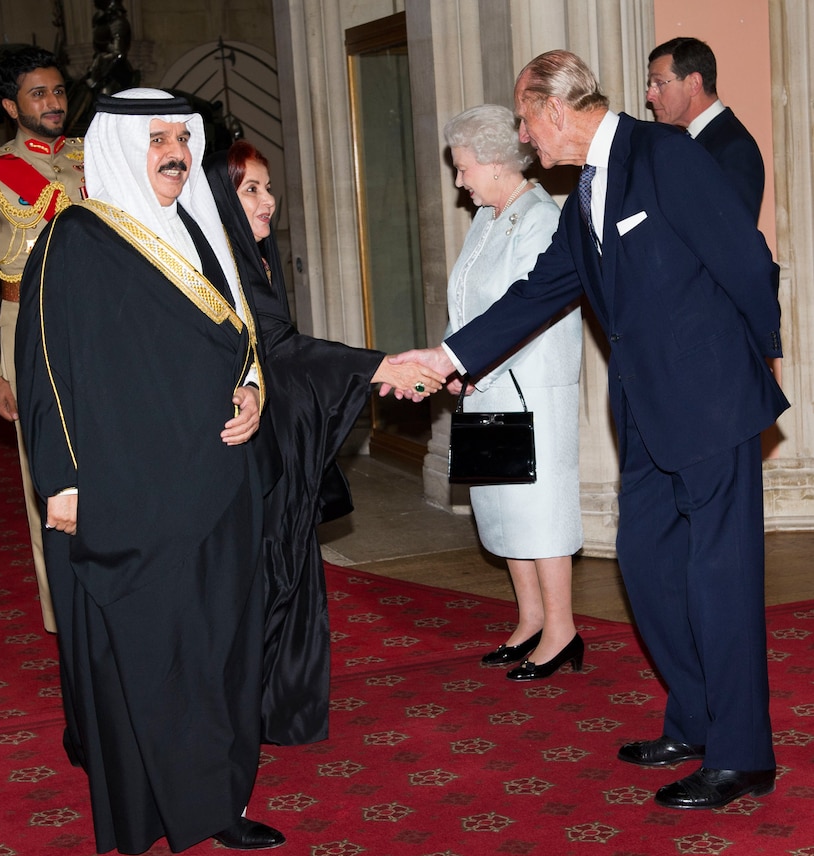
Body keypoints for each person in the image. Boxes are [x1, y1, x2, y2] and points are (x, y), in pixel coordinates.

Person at [391, 50, 788, 811]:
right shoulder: (584, 196)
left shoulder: (665, 155)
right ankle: (696, 720)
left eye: (522, 117)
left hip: (710, 404)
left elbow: (746, 258)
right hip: (643, 414)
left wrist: (760, 362)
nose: (521, 134)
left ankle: (742, 756)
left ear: (555, 108)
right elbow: (540, 290)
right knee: (644, 564)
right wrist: (444, 357)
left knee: (720, 581)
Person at [15, 88, 286, 854]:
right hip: (130, 496)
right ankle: (176, 807)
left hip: (219, 486)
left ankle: (220, 797)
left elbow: (244, 340)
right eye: (157, 137)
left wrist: (254, 395)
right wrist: (62, 482)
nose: (176, 151)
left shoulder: (200, 229)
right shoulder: (75, 240)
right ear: (115, 146)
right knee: (158, 652)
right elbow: (43, 369)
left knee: (221, 648)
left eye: (183, 136)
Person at [205, 140, 444, 745]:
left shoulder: (253, 259)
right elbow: (278, 349)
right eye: (251, 190)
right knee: (268, 570)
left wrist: (375, 367)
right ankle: (254, 709)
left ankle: (274, 706)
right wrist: (380, 367)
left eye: (268, 187)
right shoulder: (219, 264)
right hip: (243, 447)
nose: (269, 201)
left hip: (271, 436)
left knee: (284, 563)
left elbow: (281, 347)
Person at [441, 105, 584, 680]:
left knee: (540, 512)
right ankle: (529, 622)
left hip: (528, 388)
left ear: (498, 163)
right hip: (485, 386)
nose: (459, 180)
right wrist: (454, 363)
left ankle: (563, 629)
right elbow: (468, 305)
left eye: (463, 168)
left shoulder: (540, 218)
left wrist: (475, 367)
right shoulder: (487, 217)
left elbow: (527, 313)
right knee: (502, 511)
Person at [0, 46, 85, 632]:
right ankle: (63, 613)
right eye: (38, 93)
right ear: (10, 105)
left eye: (57, 91)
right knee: (50, 477)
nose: (53, 102)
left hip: (106, 334)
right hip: (28, 336)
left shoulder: (94, 159)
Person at [646, 36, 764, 221]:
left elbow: (733, 233)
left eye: (659, 83)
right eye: (650, 86)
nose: (650, 95)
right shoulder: (686, 141)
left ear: (694, 84)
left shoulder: (735, 148)